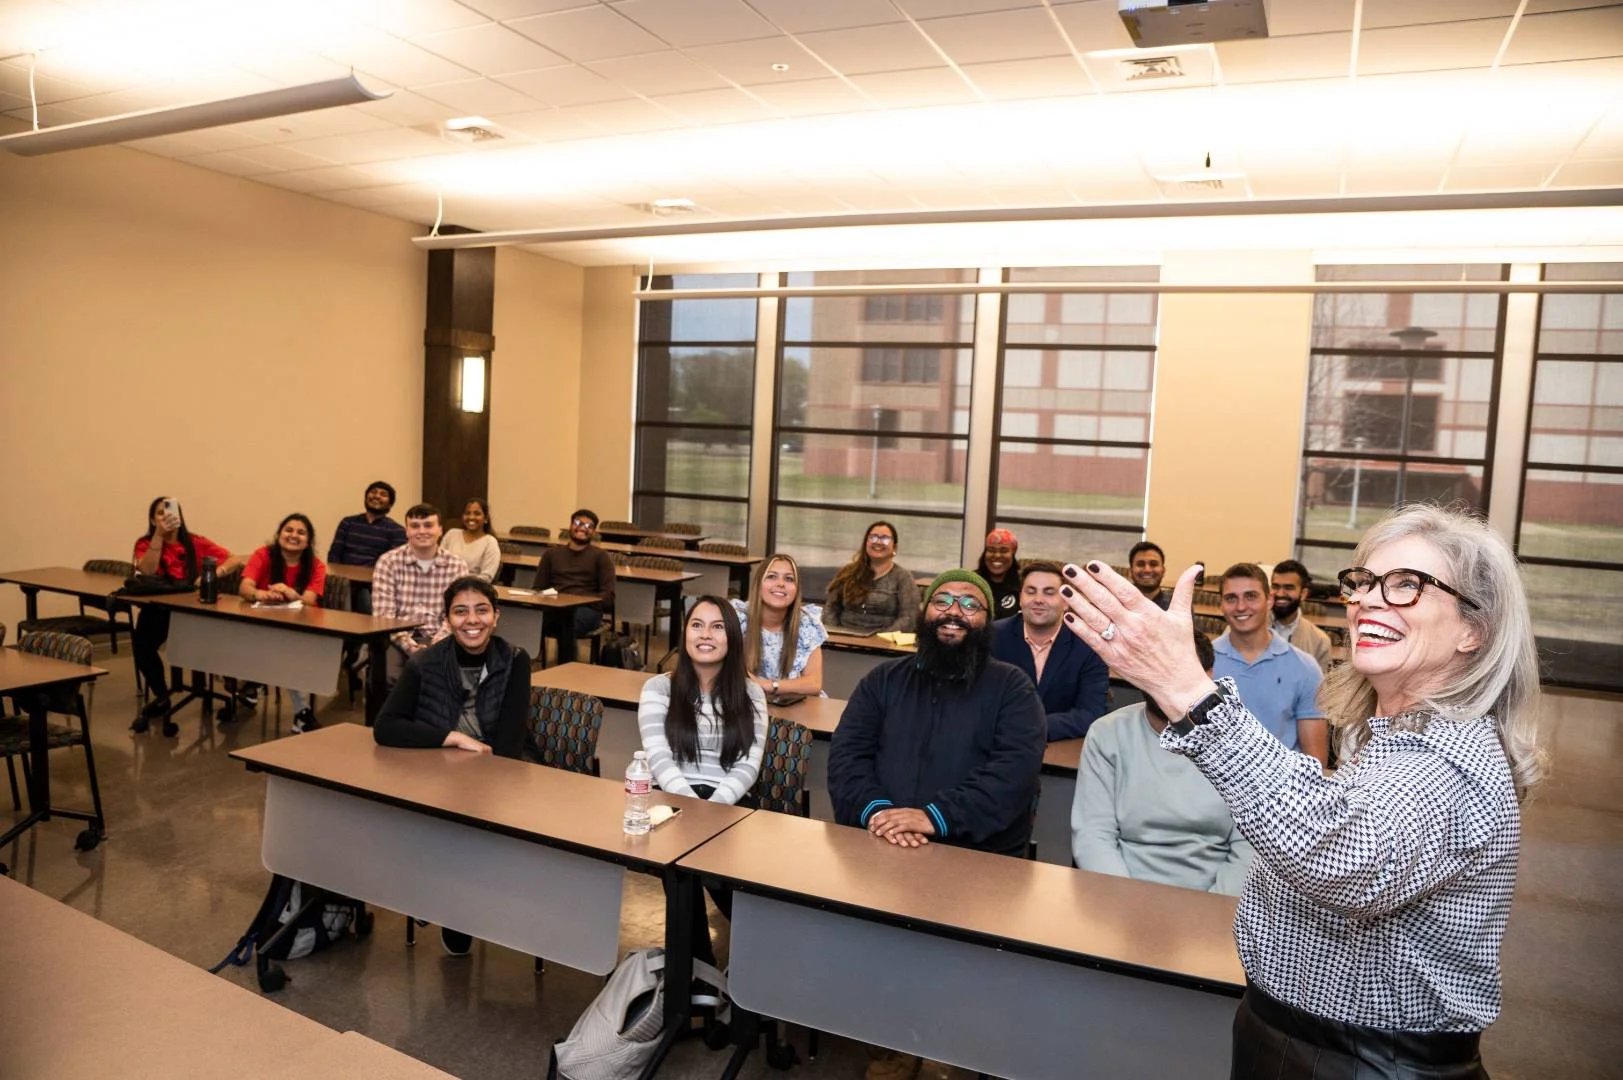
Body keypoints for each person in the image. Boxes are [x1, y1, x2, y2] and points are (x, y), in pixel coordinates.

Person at [1059, 504, 1542, 1079]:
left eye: (1407, 586)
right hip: (1301, 1039)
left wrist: (1189, 692)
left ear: (1474, 630)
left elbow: (1344, 857)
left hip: (1362, 1061)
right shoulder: (1389, 737)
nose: (1366, 601)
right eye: (1363, 583)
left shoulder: (1449, 756)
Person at [828, 568, 1044, 1080]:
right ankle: (892, 1047)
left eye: (970, 604)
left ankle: (959, 1051)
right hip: (885, 854)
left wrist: (933, 818)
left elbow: (1013, 774)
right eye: (942, 600)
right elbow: (847, 758)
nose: (954, 612)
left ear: (989, 620)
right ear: (924, 613)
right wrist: (879, 814)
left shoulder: (1011, 688)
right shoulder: (883, 681)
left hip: (976, 859)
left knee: (965, 982)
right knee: (885, 965)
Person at [375, 575, 531, 956]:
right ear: (447, 618)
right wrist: (452, 738)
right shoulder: (425, 662)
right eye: (460, 612)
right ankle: (450, 901)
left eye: (481, 610)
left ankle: (451, 903)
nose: (471, 620)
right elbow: (385, 727)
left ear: (497, 616)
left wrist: (477, 780)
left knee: (463, 825)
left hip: (496, 777)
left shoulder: (515, 660)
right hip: (438, 776)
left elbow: (509, 744)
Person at [1071, 628, 1253, 895]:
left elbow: (1247, 849)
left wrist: (1211, 912)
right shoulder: (1107, 734)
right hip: (1119, 897)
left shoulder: (1241, 744)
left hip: (1213, 905)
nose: (1163, 683)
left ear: (1208, 676)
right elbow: (1093, 834)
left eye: (1175, 671)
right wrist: (1125, 904)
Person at [636, 596, 767, 964]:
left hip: (728, 808)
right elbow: (659, 758)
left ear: (732, 638)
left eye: (717, 626)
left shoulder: (751, 693)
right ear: (684, 634)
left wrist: (709, 813)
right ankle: (697, 970)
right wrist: (689, 810)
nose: (705, 634)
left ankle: (741, 968)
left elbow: (748, 765)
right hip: (673, 806)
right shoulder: (658, 688)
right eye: (696, 625)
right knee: (681, 866)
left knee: (720, 882)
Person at [130, 496, 243, 736]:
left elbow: (234, 559)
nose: (166, 517)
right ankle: (162, 696)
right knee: (141, 645)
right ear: (152, 519)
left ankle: (229, 683)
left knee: (204, 641)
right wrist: (158, 536)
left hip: (194, 611)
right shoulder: (145, 543)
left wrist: (215, 571)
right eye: (160, 513)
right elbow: (147, 570)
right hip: (159, 609)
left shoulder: (195, 542)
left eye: (170, 512)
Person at [1212, 562, 1328, 766]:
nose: (1241, 606)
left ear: (1270, 600)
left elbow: (1315, 763)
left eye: (1251, 596)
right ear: (1221, 604)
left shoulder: (1306, 668)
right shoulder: (1202, 665)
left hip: (1279, 792)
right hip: (1209, 789)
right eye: (1231, 598)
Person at [990, 560, 1109, 740]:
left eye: (1049, 592)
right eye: (1031, 592)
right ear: (1020, 598)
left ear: (1066, 601)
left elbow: (1091, 714)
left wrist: (1029, 727)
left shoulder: (1090, 645)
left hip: (1060, 750)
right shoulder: (991, 637)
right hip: (997, 745)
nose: (1038, 599)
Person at [238, 513, 329, 732]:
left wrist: (289, 593)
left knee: (285, 648)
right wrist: (261, 594)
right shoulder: (263, 555)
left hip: (303, 627)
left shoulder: (316, 565)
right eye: (288, 530)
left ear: (308, 542)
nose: (293, 535)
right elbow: (245, 587)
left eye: (301, 532)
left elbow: (309, 600)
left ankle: (255, 681)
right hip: (263, 623)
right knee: (275, 645)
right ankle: (302, 713)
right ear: (279, 534)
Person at [372, 504, 469, 682]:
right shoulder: (388, 562)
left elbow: (459, 613)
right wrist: (411, 648)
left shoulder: (457, 566)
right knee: (389, 678)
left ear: (440, 530)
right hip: (397, 639)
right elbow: (384, 619)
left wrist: (435, 645)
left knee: (445, 679)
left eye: (428, 525)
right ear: (407, 531)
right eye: (415, 526)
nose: (421, 531)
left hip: (443, 637)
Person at [731, 553, 827, 697]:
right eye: (771, 576)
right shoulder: (737, 618)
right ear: (758, 584)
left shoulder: (807, 624)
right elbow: (729, 674)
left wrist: (768, 686)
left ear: (796, 590)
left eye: (789, 579)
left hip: (795, 704)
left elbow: (814, 684)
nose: (781, 584)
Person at [531, 508, 616, 651]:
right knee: (527, 617)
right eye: (578, 523)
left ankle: (566, 667)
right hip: (555, 605)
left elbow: (608, 596)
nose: (583, 528)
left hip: (586, 610)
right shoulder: (551, 554)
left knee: (567, 620)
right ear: (570, 526)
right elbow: (538, 588)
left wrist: (578, 600)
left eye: (589, 526)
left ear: (594, 532)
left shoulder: (601, 557)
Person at [822, 520, 916, 634]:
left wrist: (881, 640)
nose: (878, 542)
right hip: (844, 640)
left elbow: (908, 618)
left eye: (885, 538)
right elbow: (830, 609)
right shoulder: (847, 572)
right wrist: (836, 633)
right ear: (866, 542)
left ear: (894, 547)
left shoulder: (903, 577)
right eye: (873, 537)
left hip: (883, 645)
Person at [327, 480, 406, 614]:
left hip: (373, 585)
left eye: (383, 494)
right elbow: (334, 554)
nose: (377, 496)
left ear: (390, 503)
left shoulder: (397, 530)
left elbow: (392, 565)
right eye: (373, 492)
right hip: (343, 583)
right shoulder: (348, 523)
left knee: (364, 599)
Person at [1271, 558, 1335, 673]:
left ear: (1303, 594)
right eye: (1275, 587)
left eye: (1288, 588)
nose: (1280, 594)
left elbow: (1320, 688)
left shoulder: (1319, 642)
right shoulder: (1245, 628)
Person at [440, 497, 501, 582]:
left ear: (486, 518)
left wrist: (458, 580)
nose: (471, 517)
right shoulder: (451, 534)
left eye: (477, 513)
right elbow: (438, 563)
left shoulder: (490, 542)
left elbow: (486, 577)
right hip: (444, 585)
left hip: (473, 590)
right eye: (467, 513)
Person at [975, 528, 1021, 619]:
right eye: (991, 550)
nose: (997, 555)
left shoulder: (1022, 585)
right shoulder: (972, 582)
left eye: (1004, 551)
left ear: (1012, 553)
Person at [1128, 540, 1171, 610]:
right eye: (1140, 564)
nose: (1147, 570)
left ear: (1163, 571)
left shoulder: (1177, 607)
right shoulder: (1118, 604)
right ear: (1130, 571)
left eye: (1153, 564)